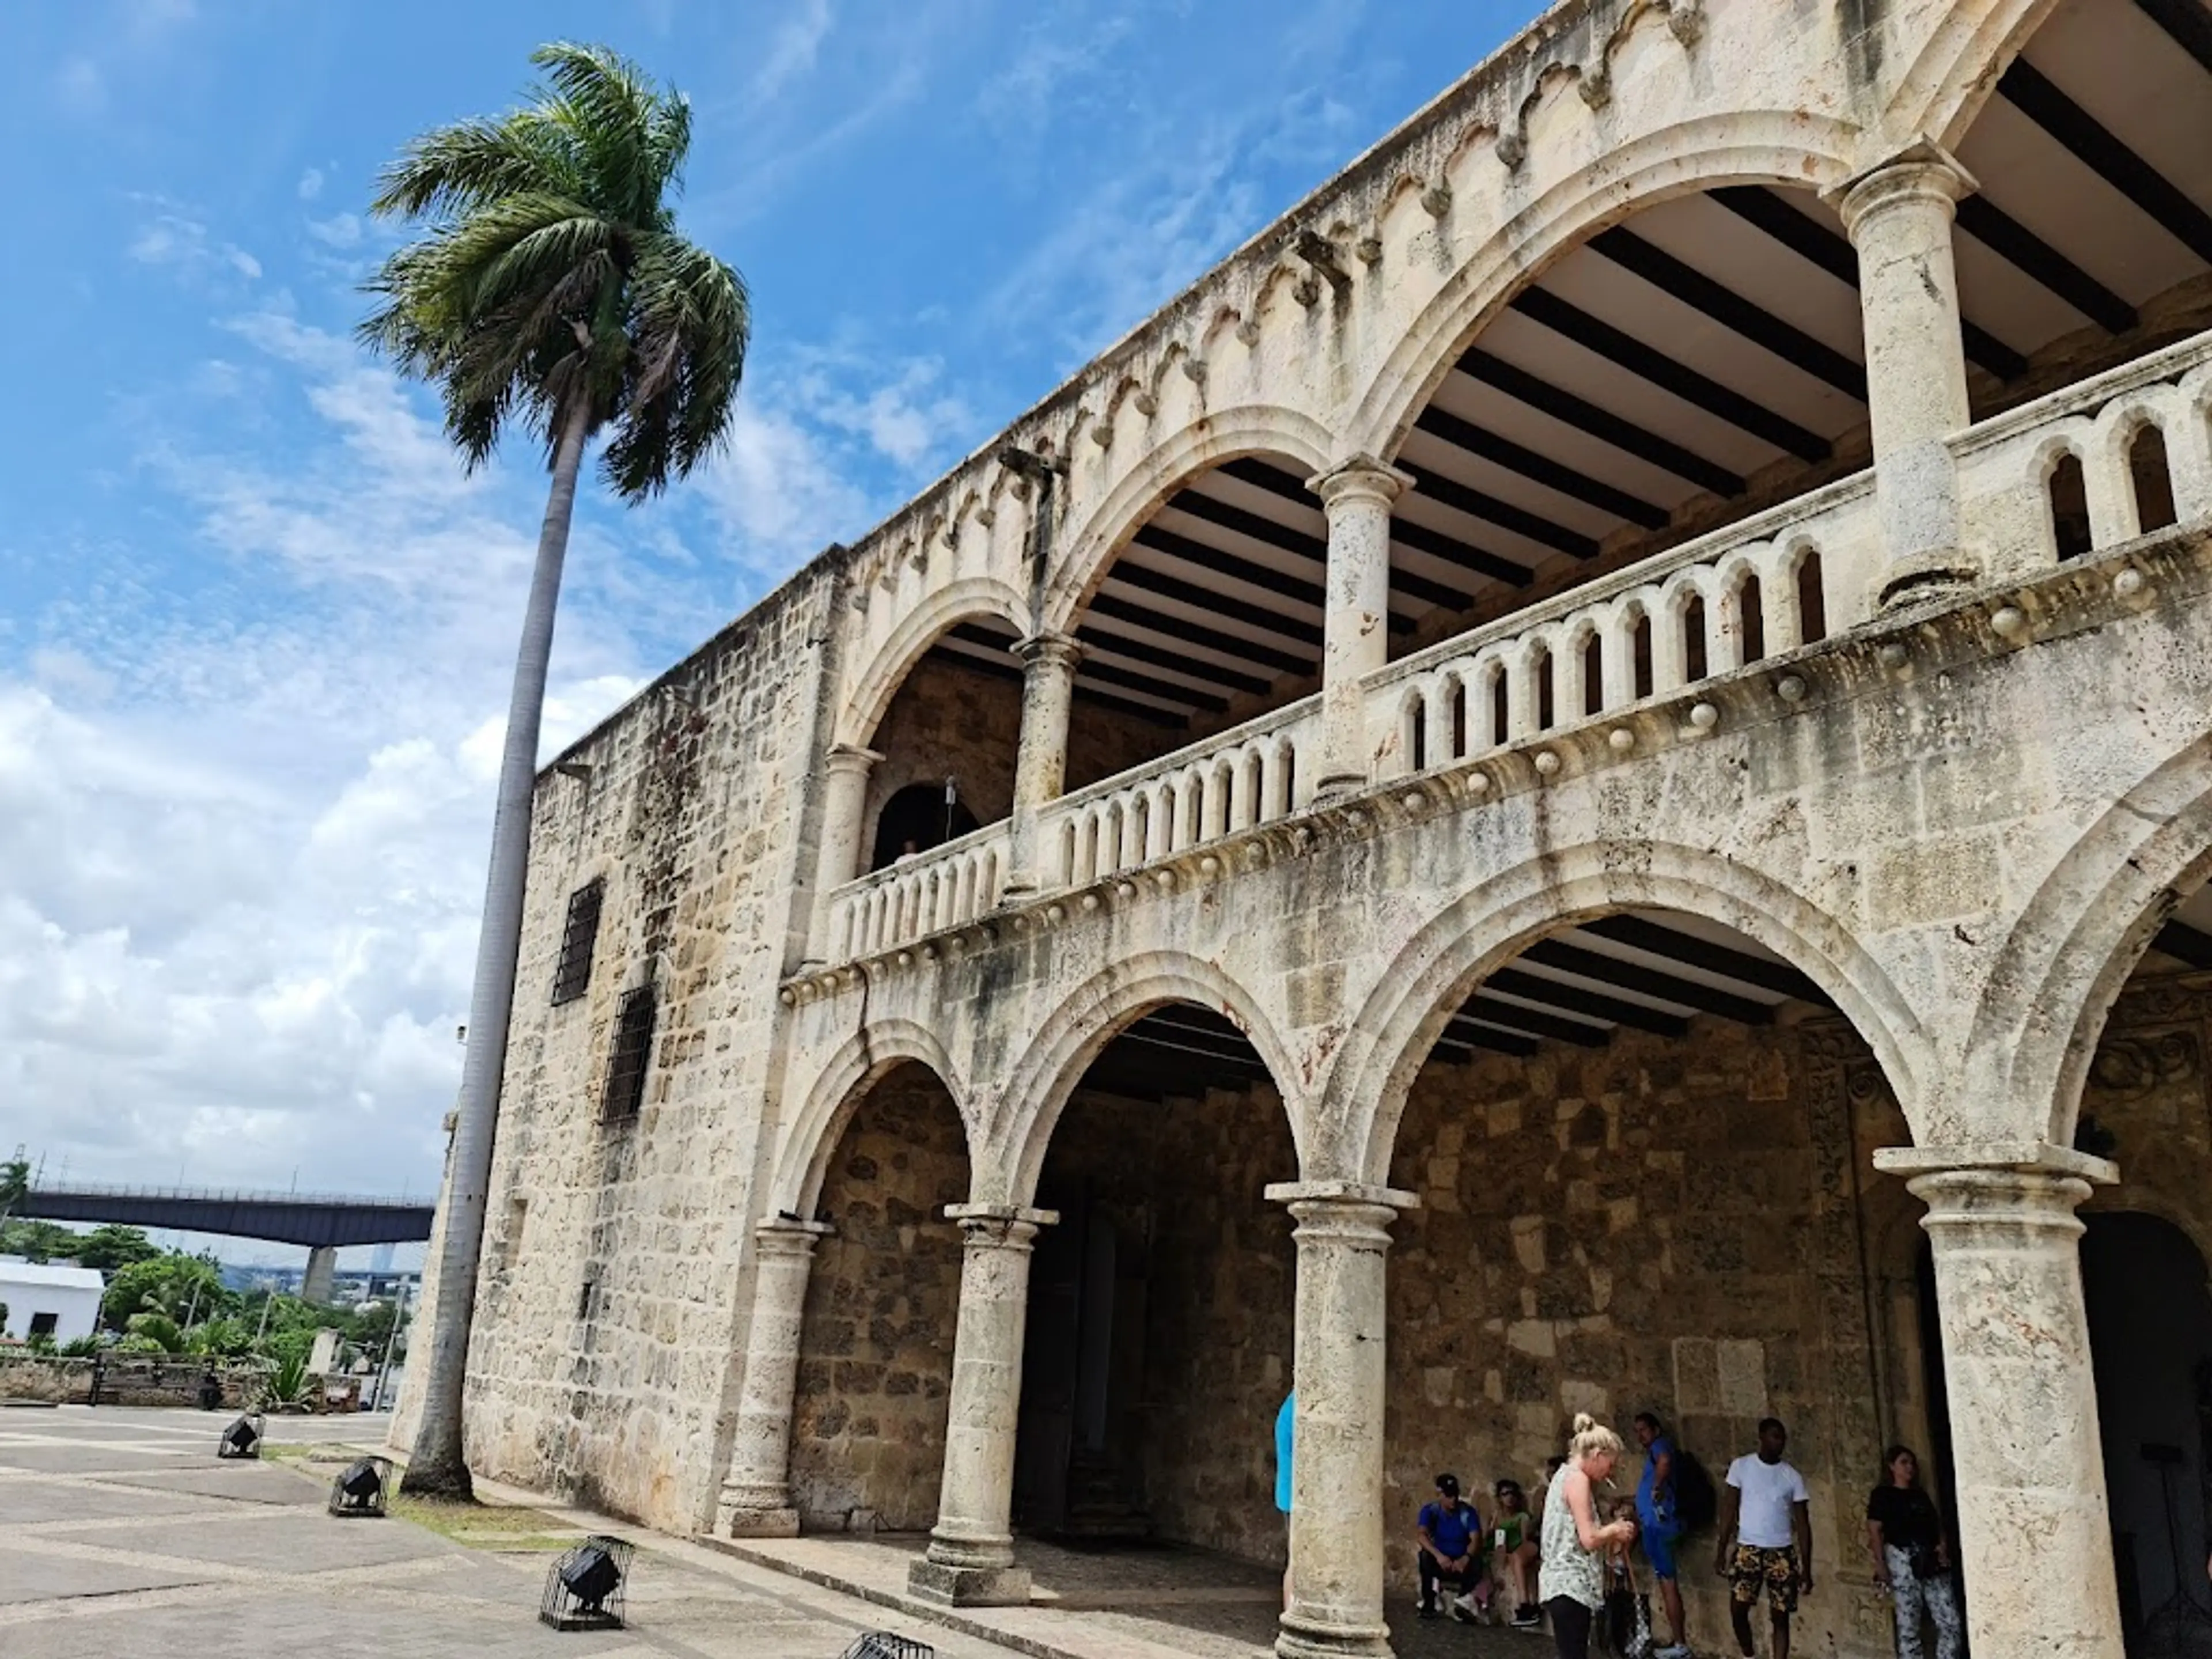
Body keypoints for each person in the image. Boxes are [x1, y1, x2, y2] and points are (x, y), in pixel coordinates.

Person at [1540, 1413, 1640, 1657]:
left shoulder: (1564, 1476)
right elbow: (1589, 1538)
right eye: (1611, 1464)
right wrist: (1616, 1529)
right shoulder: (1578, 1480)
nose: (1610, 1472)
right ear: (1598, 1456)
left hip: (1562, 1584)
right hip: (1570, 1584)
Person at [1714, 1418, 1813, 1659]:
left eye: (1782, 1438)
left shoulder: (1792, 1477)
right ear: (1762, 1437)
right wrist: (1722, 1550)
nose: (1779, 1442)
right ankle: (1749, 1653)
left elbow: (1803, 1525)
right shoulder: (1742, 1467)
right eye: (1774, 1436)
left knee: (1780, 1615)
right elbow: (1729, 1510)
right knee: (1738, 1608)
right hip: (1748, 1547)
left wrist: (1806, 1568)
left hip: (1781, 1551)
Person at [1866, 1446, 1961, 1659]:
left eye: (1912, 1463)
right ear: (1891, 1466)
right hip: (1902, 1560)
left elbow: (1936, 1526)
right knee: (1909, 1627)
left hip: (1930, 1561)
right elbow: (1874, 1530)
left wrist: (1942, 1547)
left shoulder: (1920, 1495)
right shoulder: (1883, 1495)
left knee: (1950, 1622)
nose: (1910, 1468)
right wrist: (1880, 1564)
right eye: (1904, 1462)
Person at [1633, 1411, 1692, 1659]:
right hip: (1654, 1526)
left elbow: (1665, 1462)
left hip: (1661, 1528)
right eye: (1637, 1431)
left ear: (1656, 1430)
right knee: (1665, 1582)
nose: (1640, 1436)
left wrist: (1656, 1488)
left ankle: (1680, 1645)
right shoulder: (1653, 1453)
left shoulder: (1661, 1446)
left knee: (1668, 1584)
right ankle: (1677, 1642)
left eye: (1644, 1430)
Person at [1417, 1472, 1488, 1621]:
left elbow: (1475, 1539)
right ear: (1440, 1494)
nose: (1453, 1500)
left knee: (1478, 1561)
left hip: (1461, 1560)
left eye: (1455, 1495)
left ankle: (1465, 1603)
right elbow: (1421, 1535)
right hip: (1441, 1559)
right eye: (1449, 1496)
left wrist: (1465, 1558)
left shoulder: (1467, 1513)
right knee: (1424, 1556)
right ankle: (1429, 1602)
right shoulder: (1431, 1511)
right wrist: (1439, 1556)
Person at [1491, 1478, 1542, 1622]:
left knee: (1517, 1558)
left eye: (1512, 1494)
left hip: (1521, 1548)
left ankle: (1525, 1603)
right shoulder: (1498, 1518)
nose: (1509, 1498)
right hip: (1507, 1549)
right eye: (1505, 1494)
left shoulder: (1522, 1517)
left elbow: (1524, 1539)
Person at [1275, 1389, 1294, 1611]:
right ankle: (1291, 1614)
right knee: (1298, 1563)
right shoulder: (1298, 1408)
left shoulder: (1291, 1405)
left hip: (1290, 1494)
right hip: (1296, 1496)